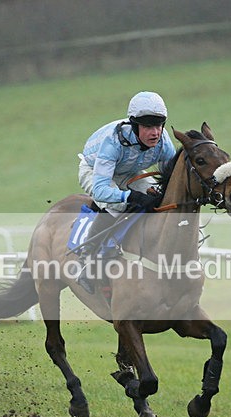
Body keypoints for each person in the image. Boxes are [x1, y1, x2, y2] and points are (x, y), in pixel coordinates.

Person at [75, 91, 177, 293]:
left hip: (130, 171)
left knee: (158, 199)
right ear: (135, 125)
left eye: (158, 126)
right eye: (148, 127)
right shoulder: (113, 141)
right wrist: (130, 196)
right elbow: (102, 190)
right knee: (118, 205)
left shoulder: (163, 141)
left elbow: (171, 179)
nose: (155, 133)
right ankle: (88, 260)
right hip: (96, 172)